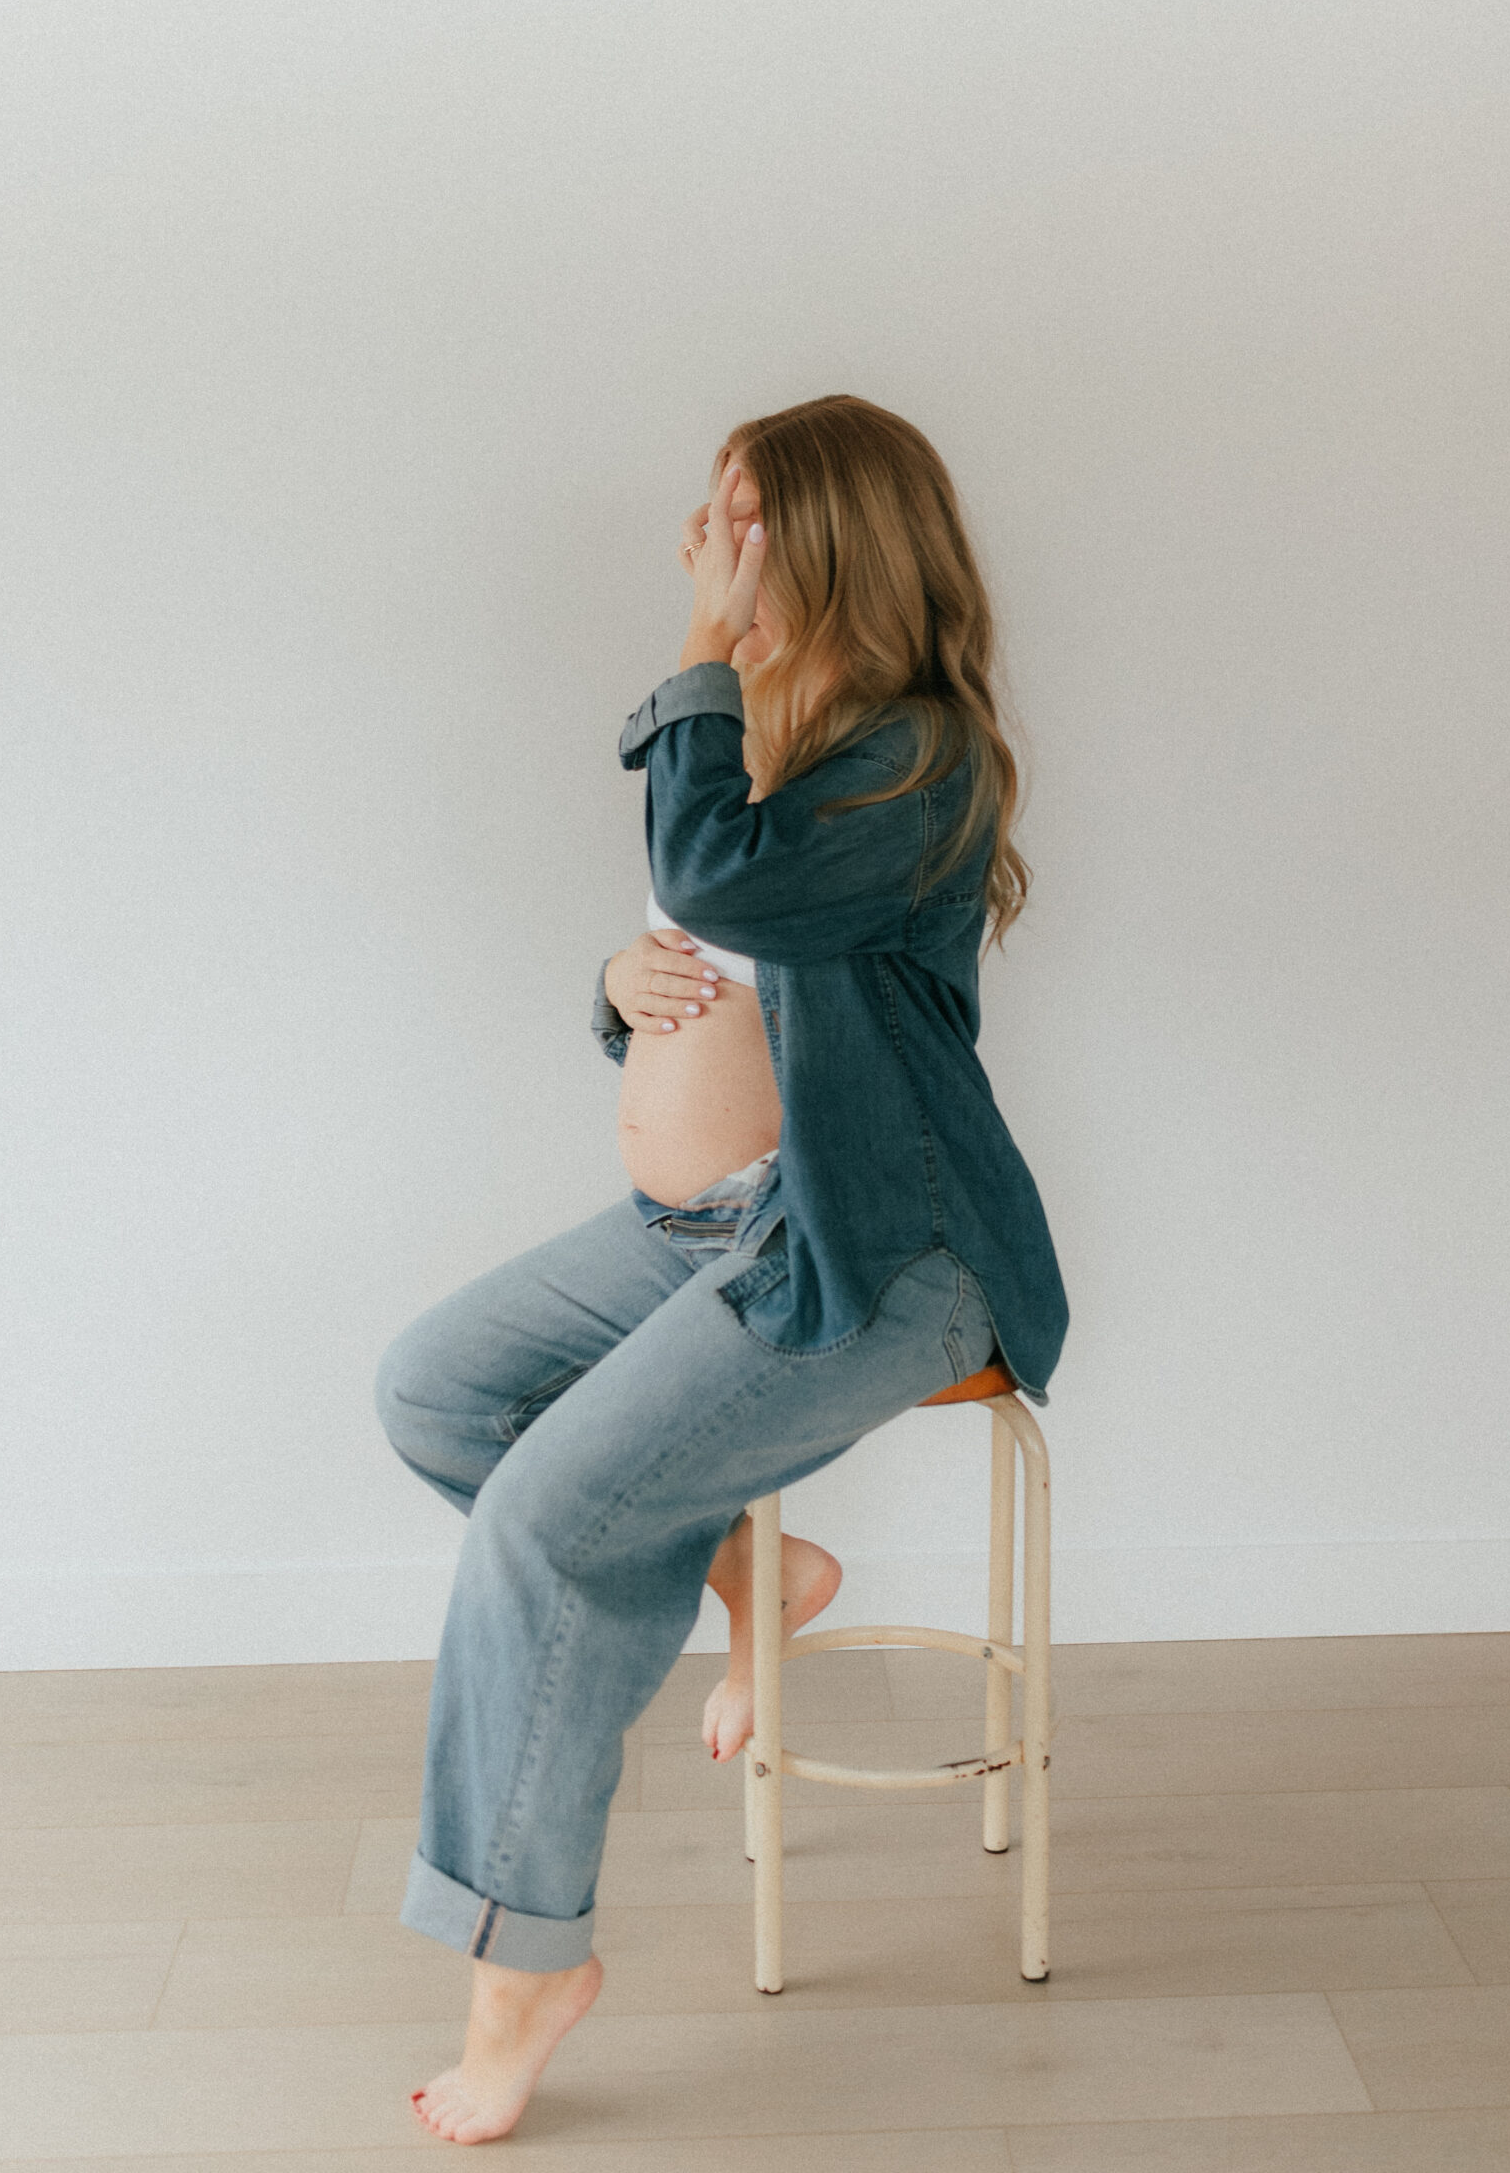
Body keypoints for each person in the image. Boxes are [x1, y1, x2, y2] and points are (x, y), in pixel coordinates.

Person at [374, 393, 1070, 2144]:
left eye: (740, 521)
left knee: (543, 1523)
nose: (708, 547)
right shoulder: (764, 731)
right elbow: (703, 937)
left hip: (870, 1248)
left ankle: (525, 1959)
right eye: (709, 517)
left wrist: (689, 660)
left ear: (830, 541)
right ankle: (761, 1584)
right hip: (706, 1229)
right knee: (438, 1389)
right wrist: (615, 989)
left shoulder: (918, 754)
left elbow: (716, 873)